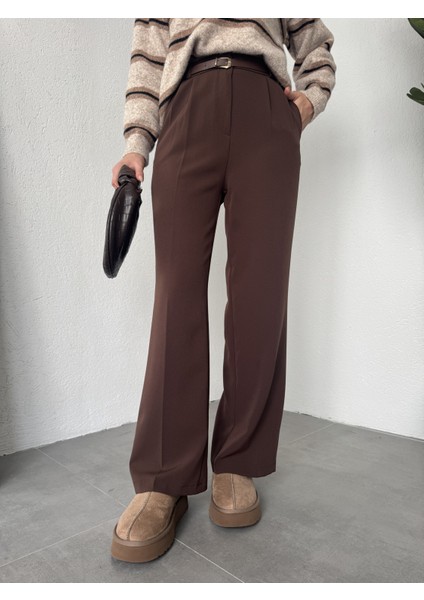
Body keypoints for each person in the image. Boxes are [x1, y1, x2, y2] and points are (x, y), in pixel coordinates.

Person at [110, 18, 336, 564]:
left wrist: (305, 103)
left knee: (261, 294)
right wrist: (137, 144)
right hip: (186, 106)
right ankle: (163, 476)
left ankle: (237, 460)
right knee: (176, 296)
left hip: (266, 110)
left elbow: (316, 46)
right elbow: (148, 58)